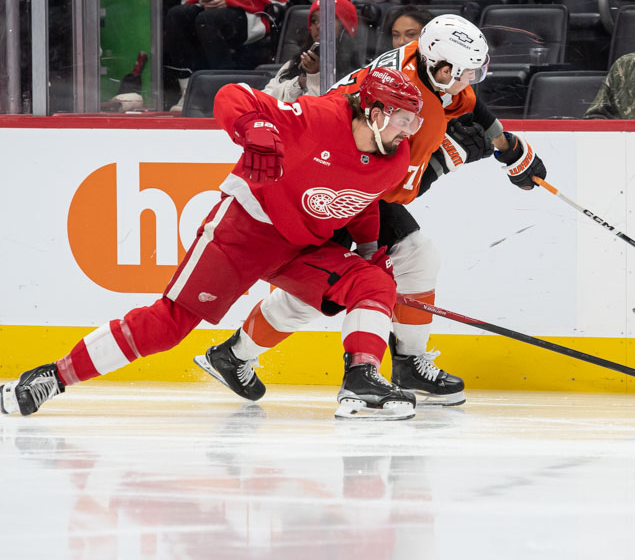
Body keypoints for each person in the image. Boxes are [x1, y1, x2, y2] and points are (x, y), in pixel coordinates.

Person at [1, 67, 427, 421]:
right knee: (168, 325)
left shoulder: (396, 159)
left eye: (414, 122)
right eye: (404, 119)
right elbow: (231, 95)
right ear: (374, 113)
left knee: (373, 284)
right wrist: (254, 126)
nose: (409, 131)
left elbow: (360, 202)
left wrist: (370, 254)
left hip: (302, 247)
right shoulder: (316, 117)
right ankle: (52, 377)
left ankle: (362, 379)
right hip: (246, 229)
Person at [195, 14, 547, 408]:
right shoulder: (424, 114)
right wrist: (452, 157)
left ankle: (406, 362)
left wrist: (504, 144)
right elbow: (393, 191)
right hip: (335, 183)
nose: (470, 81)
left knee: (414, 256)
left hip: (337, 171)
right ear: (443, 69)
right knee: (326, 289)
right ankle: (242, 356)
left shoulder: (419, 57)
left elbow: (467, 103)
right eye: (466, 73)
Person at [164, 0, 293, 111]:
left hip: (253, 10)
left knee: (208, 21)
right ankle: (189, 92)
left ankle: (225, 92)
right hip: (211, 8)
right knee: (177, 16)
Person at [263, 0, 359, 101]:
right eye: (314, 21)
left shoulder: (357, 75)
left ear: (345, 29)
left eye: (328, 20)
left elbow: (322, 108)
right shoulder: (295, 63)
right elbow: (265, 97)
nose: (318, 26)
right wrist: (299, 83)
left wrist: (314, 77)